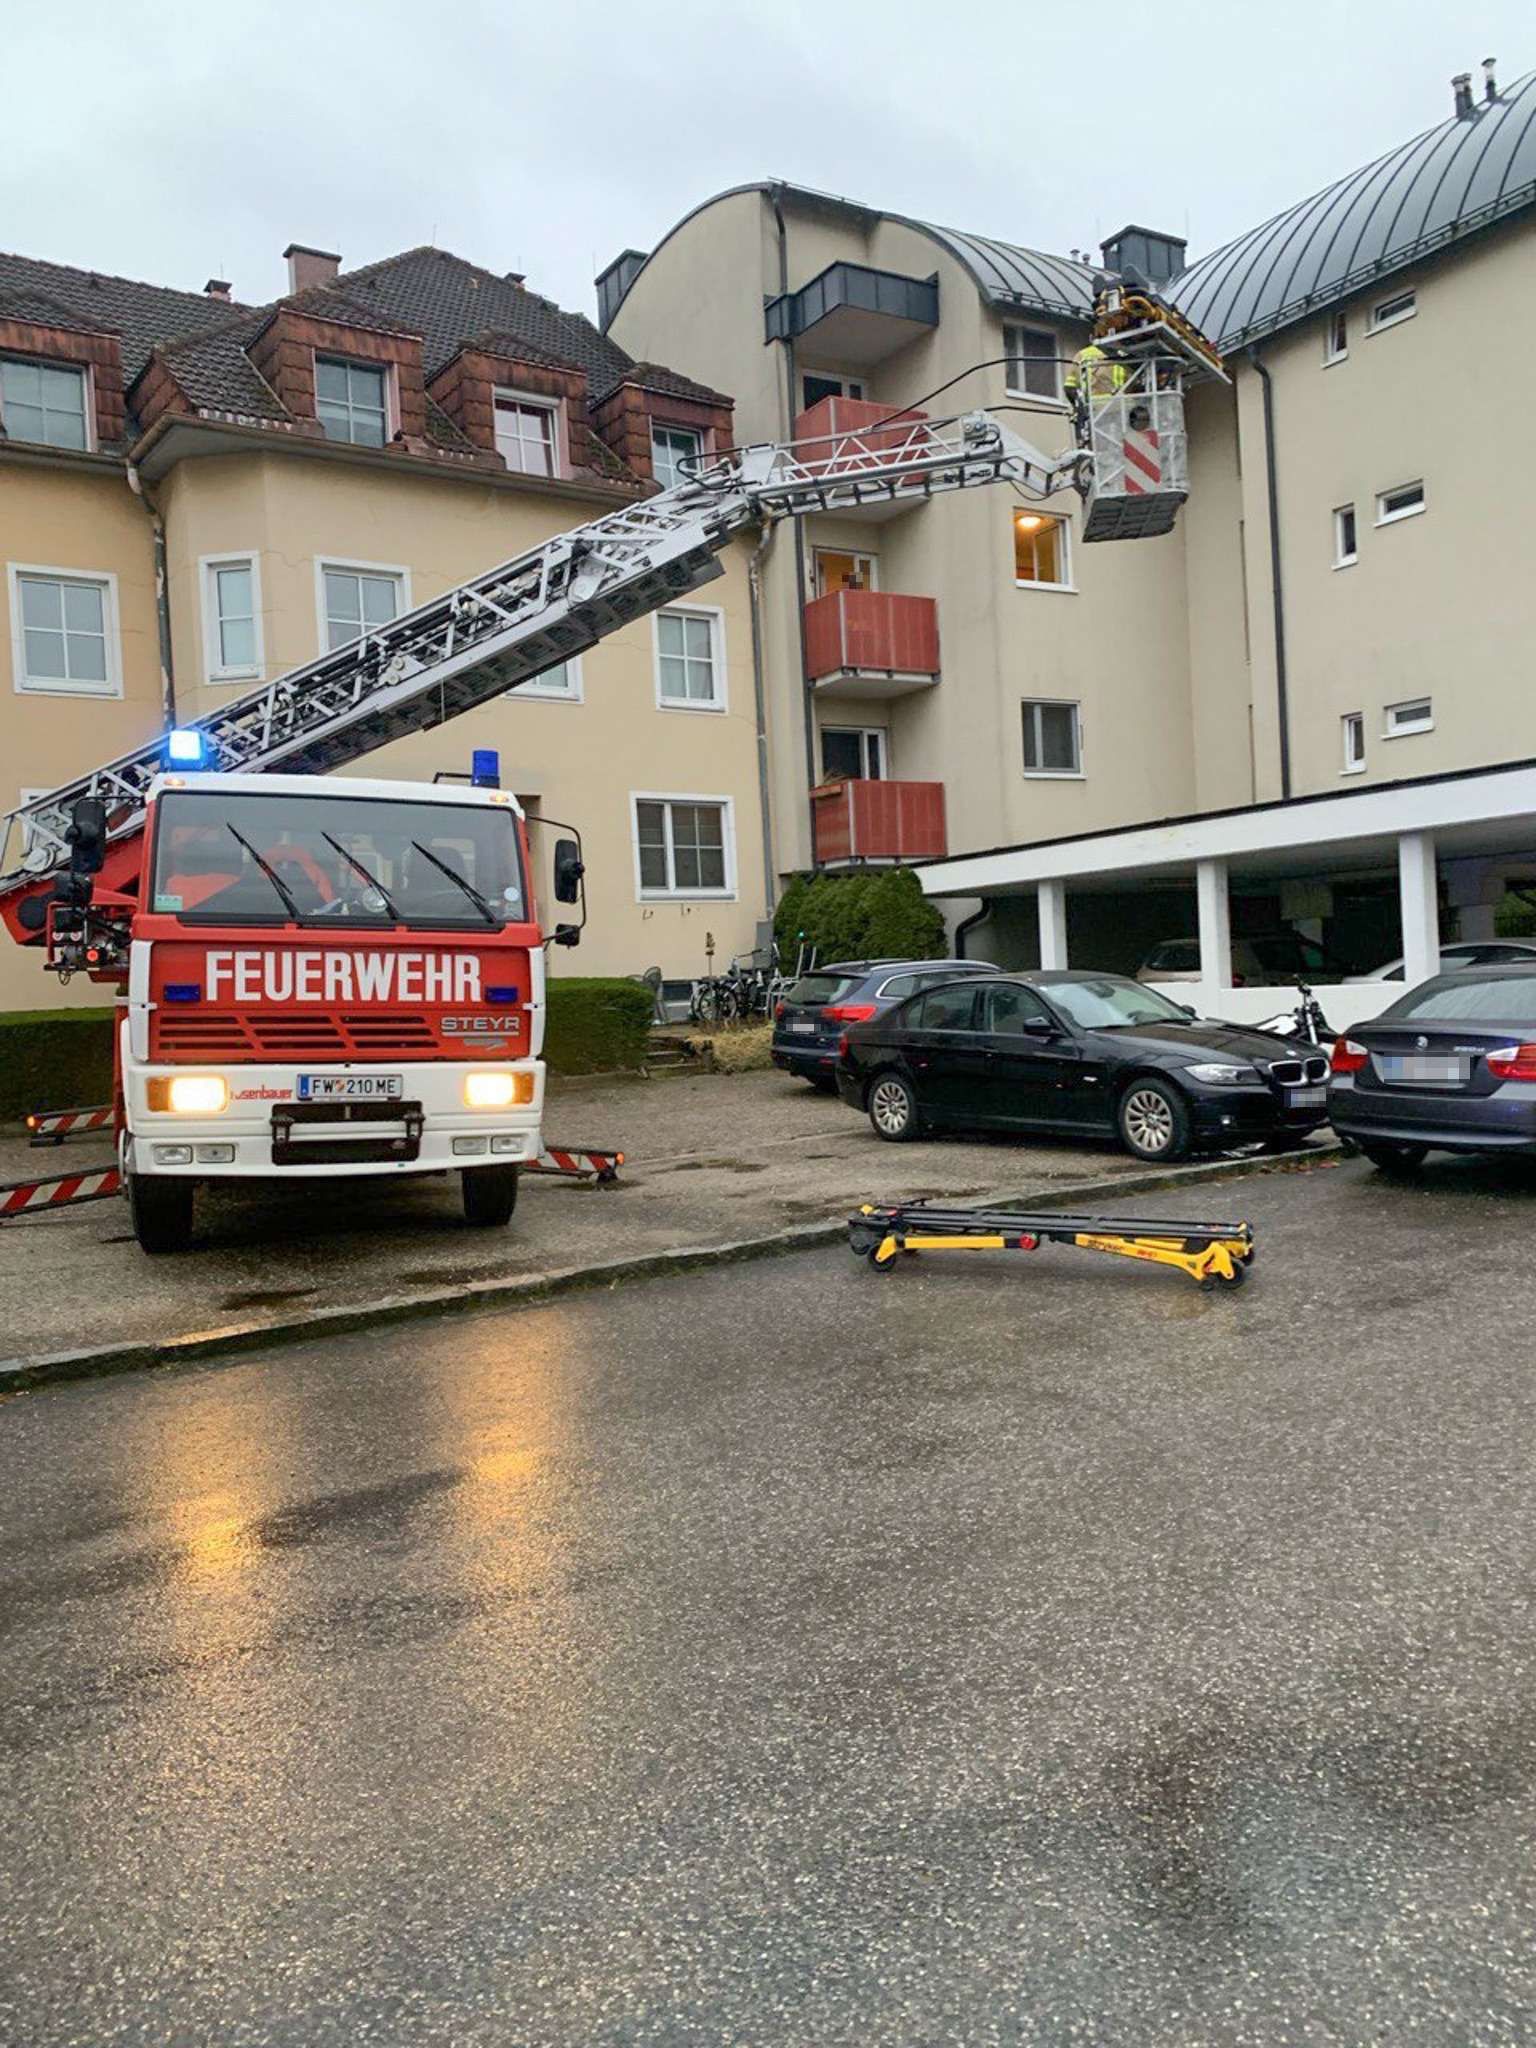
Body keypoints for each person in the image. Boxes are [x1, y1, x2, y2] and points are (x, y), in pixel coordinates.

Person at [1064, 342, 1127, 444]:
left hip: (1092, 408)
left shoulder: (1083, 354)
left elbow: (1069, 387)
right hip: (1120, 408)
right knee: (1119, 445)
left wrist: (1079, 409)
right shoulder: (1126, 353)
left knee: (1096, 446)